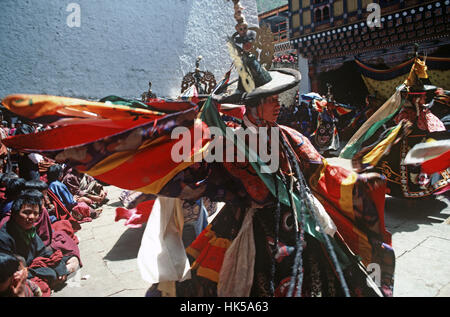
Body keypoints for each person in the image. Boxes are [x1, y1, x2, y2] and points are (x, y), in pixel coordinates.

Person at [0, 190, 70, 293]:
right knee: (48, 277)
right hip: (15, 275)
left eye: (35, 213)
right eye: (26, 212)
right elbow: (10, 272)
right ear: (14, 214)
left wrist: (60, 268)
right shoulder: (4, 237)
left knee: (59, 265)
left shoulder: (29, 230)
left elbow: (43, 251)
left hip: (32, 266)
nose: (32, 217)